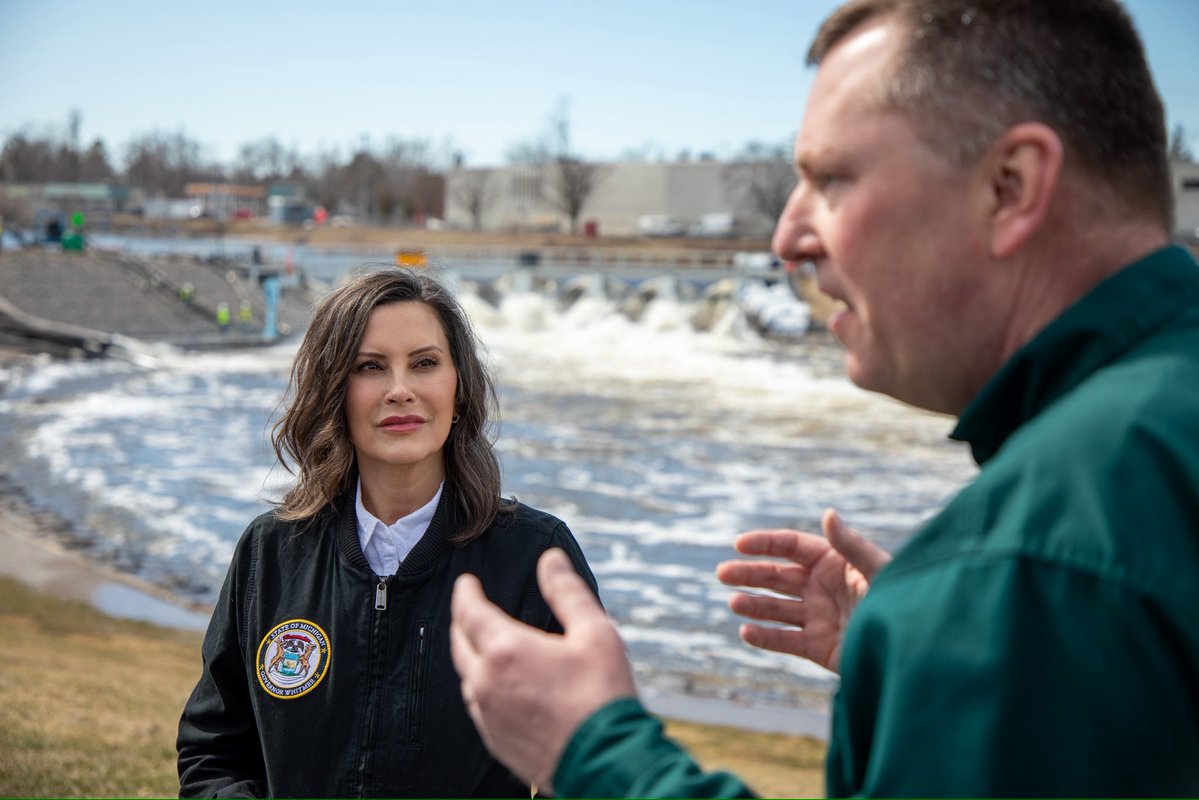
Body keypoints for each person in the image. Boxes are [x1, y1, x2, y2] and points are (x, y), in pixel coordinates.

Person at [450, 0, 1199, 796]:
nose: (786, 238)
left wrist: (595, 753)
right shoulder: (1143, 463)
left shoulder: (1029, 571)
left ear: (1010, 187)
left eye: (831, 179)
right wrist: (923, 667)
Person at [177, 268, 597, 797]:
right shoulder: (271, 553)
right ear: (334, 392)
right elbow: (212, 750)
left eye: (424, 363)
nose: (400, 390)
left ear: (459, 387)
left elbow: (591, 766)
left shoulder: (537, 559)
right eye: (370, 367)